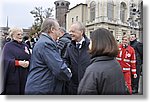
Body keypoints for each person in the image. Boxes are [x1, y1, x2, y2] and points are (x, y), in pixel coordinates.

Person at [25, 18, 72, 95]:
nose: (59, 32)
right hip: (42, 88)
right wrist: (69, 73)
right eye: (58, 29)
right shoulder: (46, 44)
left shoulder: (43, 41)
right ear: (52, 29)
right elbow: (59, 69)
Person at [78, 28, 127, 95]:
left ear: (97, 44)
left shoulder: (93, 70)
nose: (89, 45)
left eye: (91, 42)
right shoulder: (115, 63)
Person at [1, 27, 31, 95]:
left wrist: (28, 62)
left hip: (25, 75)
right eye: (18, 34)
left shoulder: (25, 46)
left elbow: (30, 57)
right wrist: (18, 63)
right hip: (14, 76)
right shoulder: (8, 46)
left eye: (21, 34)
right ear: (12, 35)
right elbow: (5, 60)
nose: (20, 36)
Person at [64, 21, 91, 94]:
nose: (70, 34)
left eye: (73, 31)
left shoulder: (91, 46)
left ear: (81, 32)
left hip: (88, 84)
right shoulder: (69, 46)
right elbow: (66, 60)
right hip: (73, 85)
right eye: (70, 31)